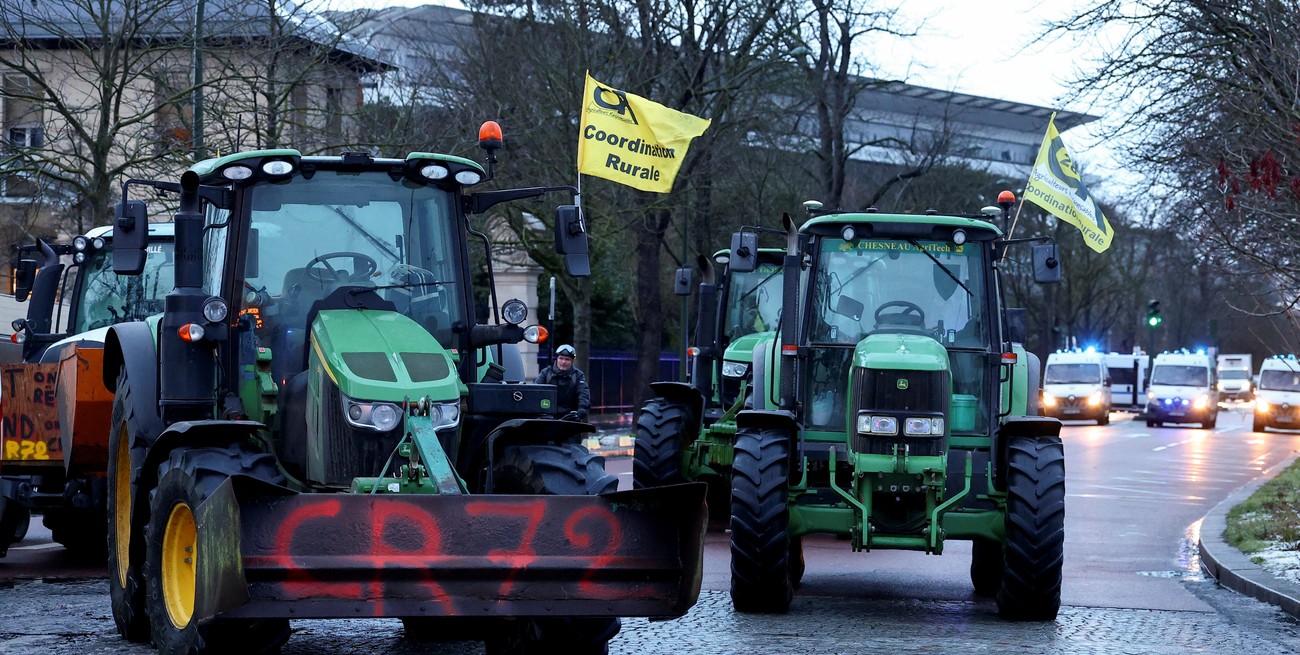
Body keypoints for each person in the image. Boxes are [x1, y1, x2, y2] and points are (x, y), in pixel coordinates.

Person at [535, 344, 591, 422]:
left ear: (572, 361)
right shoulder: (545, 373)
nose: (563, 362)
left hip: (570, 417)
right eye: (561, 358)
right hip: (548, 416)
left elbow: (583, 393)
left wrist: (581, 409)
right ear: (556, 359)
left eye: (567, 359)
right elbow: (536, 392)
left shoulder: (578, 375)